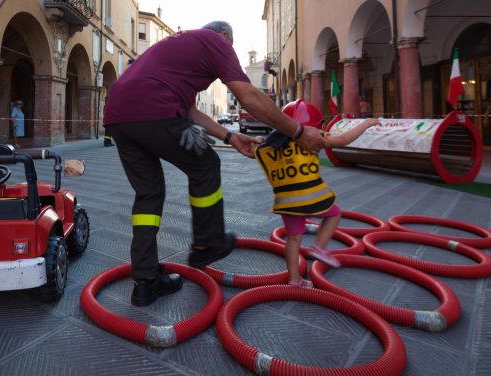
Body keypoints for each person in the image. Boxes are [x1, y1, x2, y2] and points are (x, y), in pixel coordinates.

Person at [103, 21, 328, 306]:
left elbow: (190, 111)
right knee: (206, 165)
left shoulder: (178, 48)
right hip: (155, 108)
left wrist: (230, 135)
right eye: (229, 47)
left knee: (148, 194)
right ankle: (207, 244)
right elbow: (249, 96)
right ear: (224, 37)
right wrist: (297, 131)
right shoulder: (216, 42)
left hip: (118, 117)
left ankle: (145, 281)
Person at [254, 100, 380, 287]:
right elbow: (344, 140)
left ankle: (295, 280)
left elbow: (259, 146)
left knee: (293, 239)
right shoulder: (313, 136)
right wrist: (366, 123)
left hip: (286, 202)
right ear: (314, 125)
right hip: (313, 197)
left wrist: (260, 140)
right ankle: (319, 249)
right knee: (334, 214)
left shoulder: (271, 144)